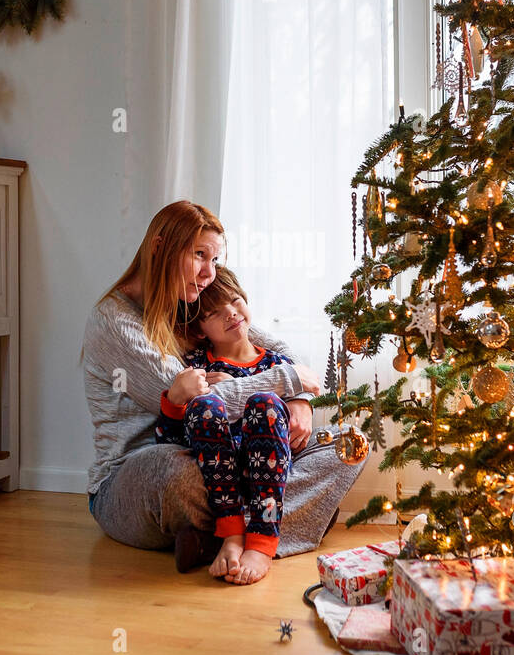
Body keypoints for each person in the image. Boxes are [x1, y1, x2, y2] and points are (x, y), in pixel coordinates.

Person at [82, 200, 364, 578]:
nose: (208, 274)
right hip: (142, 475)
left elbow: (275, 349)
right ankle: (284, 524)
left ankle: (220, 540)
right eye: (200, 256)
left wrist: (300, 400)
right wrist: (289, 380)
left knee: (348, 445)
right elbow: (199, 402)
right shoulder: (115, 321)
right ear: (160, 246)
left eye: (214, 260)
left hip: (223, 460)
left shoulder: (191, 303)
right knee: (179, 473)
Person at [154, 266, 294, 583]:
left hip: (267, 465)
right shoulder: (197, 367)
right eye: (215, 313)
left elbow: (296, 420)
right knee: (204, 404)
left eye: (234, 301)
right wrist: (174, 400)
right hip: (219, 472)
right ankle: (231, 532)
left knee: (266, 403)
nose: (230, 313)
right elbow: (167, 442)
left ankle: (262, 540)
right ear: (201, 330)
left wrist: (236, 388)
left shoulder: (277, 364)